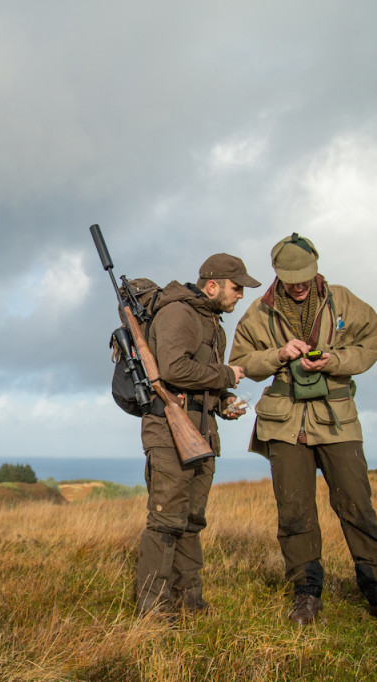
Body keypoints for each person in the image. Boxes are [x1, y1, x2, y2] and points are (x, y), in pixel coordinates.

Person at [228, 233, 377, 633]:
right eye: (290, 278)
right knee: (295, 513)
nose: (298, 285)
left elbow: (374, 340)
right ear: (277, 274)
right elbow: (241, 362)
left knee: (357, 507)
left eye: (304, 277)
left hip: (337, 420)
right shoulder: (257, 313)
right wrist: (277, 355)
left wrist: (335, 360)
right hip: (283, 424)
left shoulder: (344, 300)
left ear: (315, 270)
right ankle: (307, 592)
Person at [136, 253, 260, 618]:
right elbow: (173, 369)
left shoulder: (211, 322)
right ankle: (154, 612)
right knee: (165, 522)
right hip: (169, 434)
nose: (240, 295)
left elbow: (198, 378)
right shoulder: (178, 313)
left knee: (191, 521)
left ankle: (189, 600)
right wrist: (226, 375)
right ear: (212, 285)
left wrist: (224, 403)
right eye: (236, 288)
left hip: (200, 432)